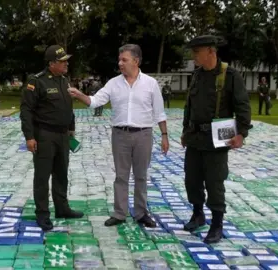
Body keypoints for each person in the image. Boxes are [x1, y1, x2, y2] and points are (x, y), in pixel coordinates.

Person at [69, 44, 169, 228]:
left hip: (143, 135)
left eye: (124, 60)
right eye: (119, 59)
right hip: (120, 135)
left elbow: (159, 112)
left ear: (136, 61)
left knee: (141, 176)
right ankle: (119, 213)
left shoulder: (150, 84)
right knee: (121, 176)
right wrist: (79, 95)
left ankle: (141, 213)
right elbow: (95, 101)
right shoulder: (113, 83)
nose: (120, 63)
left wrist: (164, 135)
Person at [180, 35, 252, 244]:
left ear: (211, 51)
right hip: (195, 138)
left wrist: (241, 133)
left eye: (197, 52)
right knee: (192, 180)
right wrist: (185, 131)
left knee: (214, 182)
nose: (194, 56)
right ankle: (198, 214)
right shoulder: (197, 75)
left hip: (217, 140)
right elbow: (189, 107)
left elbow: (243, 107)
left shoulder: (230, 75)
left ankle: (217, 223)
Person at [20, 45, 83, 231]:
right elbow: (26, 110)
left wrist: (71, 128)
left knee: (61, 173)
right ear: (51, 63)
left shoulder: (64, 81)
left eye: (66, 60)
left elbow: (67, 107)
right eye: (62, 61)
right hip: (44, 135)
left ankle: (62, 208)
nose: (66, 64)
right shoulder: (37, 82)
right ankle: (42, 214)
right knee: (42, 176)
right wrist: (29, 137)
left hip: (63, 135)